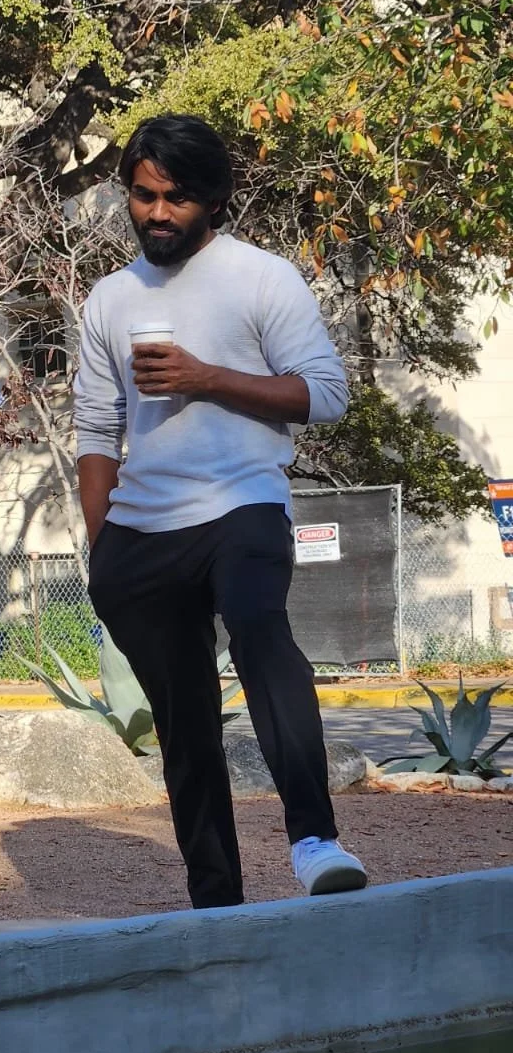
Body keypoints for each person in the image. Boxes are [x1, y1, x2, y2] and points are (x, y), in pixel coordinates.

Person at [75, 113, 368, 908]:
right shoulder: (109, 300)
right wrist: (102, 544)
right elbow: (97, 430)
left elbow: (328, 395)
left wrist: (209, 378)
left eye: (176, 198)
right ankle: (217, 898)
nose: (157, 214)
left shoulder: (262, 279)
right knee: (184, 720)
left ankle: (314, 841)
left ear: (212, 199)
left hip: (242, 501)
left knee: (261, 631)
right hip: (140, 533)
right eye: (142, 196)